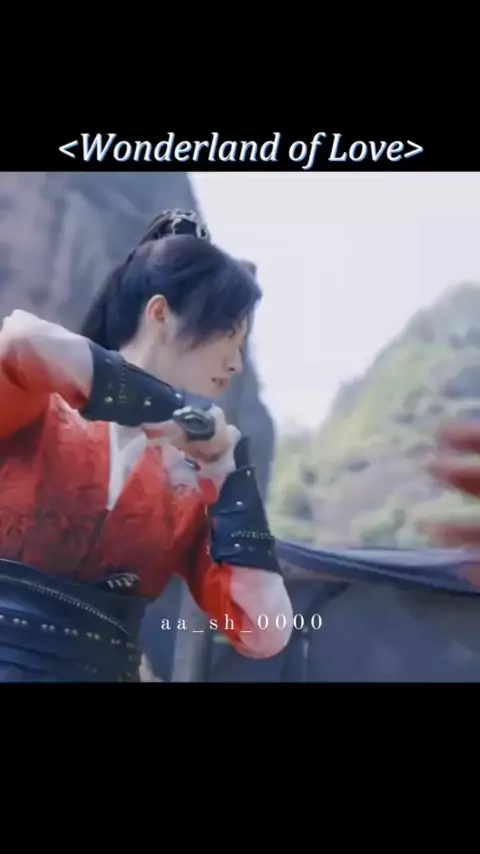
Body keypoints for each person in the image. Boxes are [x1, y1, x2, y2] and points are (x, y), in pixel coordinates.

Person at [0, 209, 294, 682]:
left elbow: (266, 631)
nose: (236, 363)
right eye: (229, 335)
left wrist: (229, 473)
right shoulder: (38, 407)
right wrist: (167, 409)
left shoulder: (194, 479)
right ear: (160, 314)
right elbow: (20, 339)